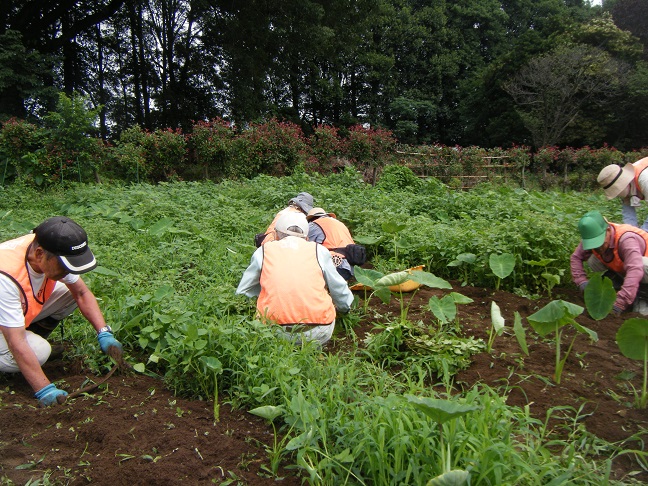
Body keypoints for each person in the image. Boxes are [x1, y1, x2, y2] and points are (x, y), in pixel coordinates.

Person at [0, 216, 122, 406]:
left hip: (11, 313)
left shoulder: (45, 246)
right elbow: (16, 341)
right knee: (40, 351)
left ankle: (31, 339)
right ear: (40, 254)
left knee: (68, 294)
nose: (68, 272)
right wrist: (44, 389)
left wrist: (104, 333)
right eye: (65, 266)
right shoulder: (5, 277)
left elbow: (81, 293)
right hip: (6, 323)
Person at [237, 211, 354, 346]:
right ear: (306, 236)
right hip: (319, 331)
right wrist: (345, 309)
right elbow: (338, 287)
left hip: (273, 331)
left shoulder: (263, 251)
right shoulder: (319, 250)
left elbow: (244, 290)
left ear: (276, 234)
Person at [570, 210, 648, 316]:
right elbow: (576, 258)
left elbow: (635, 270)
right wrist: (582, 282)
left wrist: (620, 303)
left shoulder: (626, 240)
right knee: (593, 260)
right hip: (629, 267)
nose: (598, 248)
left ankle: (641, 296)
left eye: (600, 243)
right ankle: (620, 280)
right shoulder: (592, 234)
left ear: (608, 230)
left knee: (642, 265)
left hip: (641, 269)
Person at [307, 207, 366, 281]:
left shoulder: (314, 225)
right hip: (350, 266)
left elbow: (304, 245)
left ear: (311, 218)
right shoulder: (340, 224)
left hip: (334, 266)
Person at [597, 157, 648, 231]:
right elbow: (629, 216)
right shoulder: (628, 184)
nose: (617, 195)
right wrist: (630, 233)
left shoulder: (644, 179)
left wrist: (643, 233)